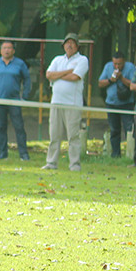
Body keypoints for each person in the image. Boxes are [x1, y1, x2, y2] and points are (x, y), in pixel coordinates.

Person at [43, 33, 89, 172]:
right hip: (56, 102)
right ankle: (51, 162)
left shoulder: (82, 60)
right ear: (63, 45)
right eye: (67, 43)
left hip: (73, 103)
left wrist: (58, 75)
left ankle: (74, 164)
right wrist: (66, 71)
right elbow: (49, 75)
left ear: (77, 45)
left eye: (72, 43)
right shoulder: (57, 59)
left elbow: (76, 76)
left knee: (73, 136)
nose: (69, 45)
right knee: (54, 135)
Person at [0, 40, 31, 160]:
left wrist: (24, 96)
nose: (7, 50)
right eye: (4, 48)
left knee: (19, 127)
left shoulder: (20, 64)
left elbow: (27, 79)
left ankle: (23, 154)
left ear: (13, 50)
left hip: (14, 101)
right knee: (0, 127)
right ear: (1, 50)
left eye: (9, 48)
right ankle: (3, 154)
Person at [97, 51, 136, 158]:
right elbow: (100, 83)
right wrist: (111, 80)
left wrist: (121, 78)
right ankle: (115, 154)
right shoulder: (108, 67)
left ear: (124, 61)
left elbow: (135, 84)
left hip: (127, 103)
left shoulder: (130, 67)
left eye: (119, 64)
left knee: (129, 129)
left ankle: (132, 153)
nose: (117, 66)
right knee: (114, 129)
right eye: (115, 64)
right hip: (111, 103)